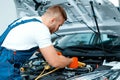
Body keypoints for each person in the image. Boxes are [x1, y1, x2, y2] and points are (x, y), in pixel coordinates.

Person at [0, 5, 84, 80]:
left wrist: (56, 53)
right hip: (6, 68)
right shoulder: (41, 29)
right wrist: (70, 61)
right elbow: (55, 62)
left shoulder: (27, 20)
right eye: (59, 25)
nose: (58, 29)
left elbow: (35, 45)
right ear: (52, 20)